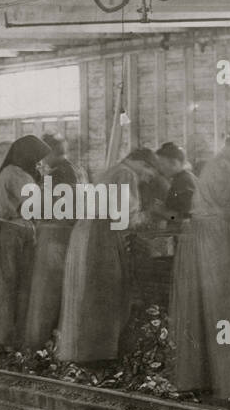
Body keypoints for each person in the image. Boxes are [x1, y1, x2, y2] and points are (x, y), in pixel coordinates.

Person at [172, 121, 230, 398]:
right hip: (219, 242)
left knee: (222, 307)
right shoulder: (220, 169)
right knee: (225, 307)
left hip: (219, 239)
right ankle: (227, 381)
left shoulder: (224, 168)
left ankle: (221, 377)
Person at [56, 148, 161, 363]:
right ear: (141, 163)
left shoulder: (113, 170)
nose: (148, 178)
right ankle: (98, 353)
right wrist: (152, 214)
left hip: (86, 232)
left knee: (88, 290)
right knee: (104, 292)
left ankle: (83, 351)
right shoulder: (126, 174)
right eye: (149, 171)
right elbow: (125, 216)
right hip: (101, 235)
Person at [0, 135, 51, 351]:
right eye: (36, 158)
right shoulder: (14, 173)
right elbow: (34, 204)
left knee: (21, 287)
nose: (38, 163)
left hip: (22, 231)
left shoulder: (23, 174)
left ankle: (13, 339)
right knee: (3, 287)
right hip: (7, 232)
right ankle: (1, 339)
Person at [23, 136, 80, 349]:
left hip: (53, 234)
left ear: (48, 152)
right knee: (63, 292)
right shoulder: (77, 170)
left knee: (44, 292)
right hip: (69, 236)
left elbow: (39, 207)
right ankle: (58, 344)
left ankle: (37, 345)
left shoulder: (56, 175)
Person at [152, 142, 196, 222]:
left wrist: (161, 212)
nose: (159, 168)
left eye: (162, 164)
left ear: (174, 163)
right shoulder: (182, 177)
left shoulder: (183, 182)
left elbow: (184, 219)